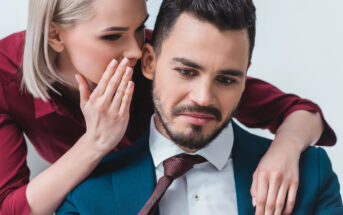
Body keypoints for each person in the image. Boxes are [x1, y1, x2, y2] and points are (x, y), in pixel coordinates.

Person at [0, 0, 336, 214]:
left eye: (138, 29)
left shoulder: (162, 59)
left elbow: (298, 111)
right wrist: (95, 144)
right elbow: (10, 207)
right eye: (113, 36)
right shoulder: (5, 76)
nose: (134, 50)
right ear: (55, 36)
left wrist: (283, 151)